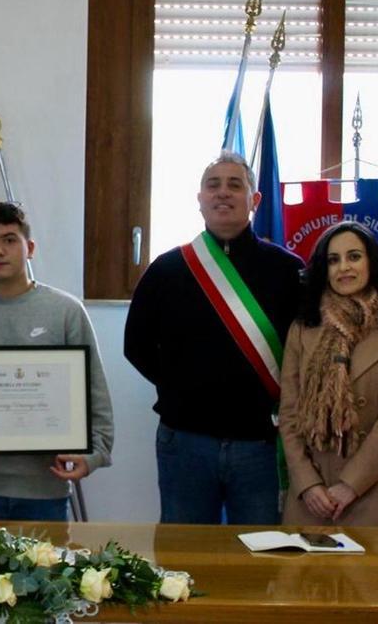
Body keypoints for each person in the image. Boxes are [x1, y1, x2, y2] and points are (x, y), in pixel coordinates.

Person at [124, 151, 303, 525]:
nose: (223, 193)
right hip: (185, 441)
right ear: (200, 199)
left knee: (260, 558)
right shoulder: (167, 269)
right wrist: (184, 389)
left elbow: (308, 351)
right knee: (182, 562)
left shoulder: (288, 270)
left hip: (261, 443)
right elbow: (136, 345)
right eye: (213, 185)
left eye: (235, 185)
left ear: (255, 200)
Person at [0, 202, 114, 521]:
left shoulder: (65, 311)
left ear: (30, 248)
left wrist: (97, 453)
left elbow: (95, 390)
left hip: (43, 489)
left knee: (47, 571)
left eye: (9, 239)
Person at [278, 222, 378, 527]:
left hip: (376, 489)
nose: (344, 267)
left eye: (354, 256)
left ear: (372, 263)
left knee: (373, 576)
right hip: (312, 496)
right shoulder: (302, 330)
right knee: (302, 575)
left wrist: (350, 485)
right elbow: (289, 414)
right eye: (333, 259)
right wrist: (307, 483)